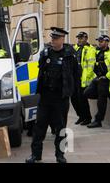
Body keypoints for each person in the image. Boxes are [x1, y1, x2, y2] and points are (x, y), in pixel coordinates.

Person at [26, 27, 78, 164]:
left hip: (61, 98)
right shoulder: (45, 53)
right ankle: (35, 155)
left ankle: (60, 155)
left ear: (62, 39)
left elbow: (76, 75)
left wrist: (72, 92)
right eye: (52, 38)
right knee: (39, 127)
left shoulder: (70, 55)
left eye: (55, 38)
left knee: (60, 128)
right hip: (45, 97)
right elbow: (41, 71)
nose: (52, 41)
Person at [87, 35, 110, 128]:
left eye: (101, 41)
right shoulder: (97, 52)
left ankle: (98, 121)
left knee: (101, 101)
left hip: (105, 80)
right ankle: (107, 95)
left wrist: (106, 77)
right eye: (99, 41)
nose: (99, 43)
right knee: (86, 93)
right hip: (97, 78)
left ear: (106, 42)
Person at [72, 32, 96, 126]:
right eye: (78, 38)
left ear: (86, 38)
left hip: (84, 78)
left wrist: (87, 77)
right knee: (74, 99)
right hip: (75, 77)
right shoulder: (76, 48)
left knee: (82, 99)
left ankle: (87, 117)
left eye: (81, 38)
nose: (79, 40)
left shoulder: (90, 49)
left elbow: (91, 65)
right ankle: (81, 116)